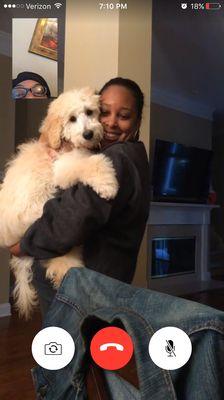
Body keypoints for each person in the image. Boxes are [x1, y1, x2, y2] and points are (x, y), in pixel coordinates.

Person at [10, 77, 150, 316]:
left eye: (124, 116)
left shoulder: (117, 158)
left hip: (85, 283)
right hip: (106, 279)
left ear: (137, 122)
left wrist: (24, 245)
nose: (111, 123)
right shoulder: (133, 156)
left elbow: (75, 216)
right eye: (104, 113)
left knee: (69, 347)